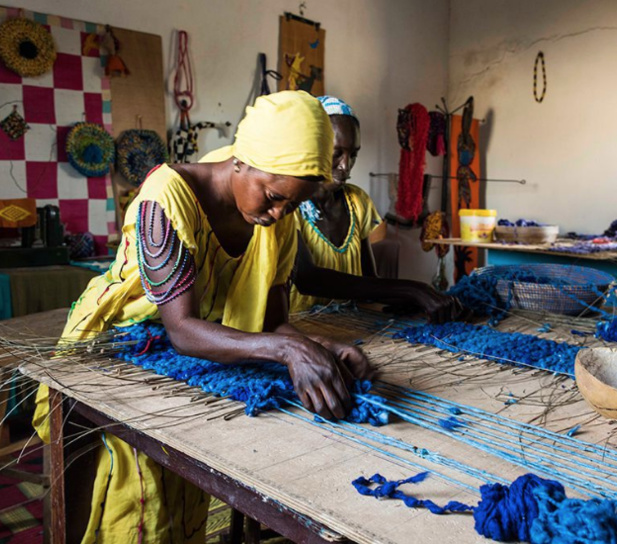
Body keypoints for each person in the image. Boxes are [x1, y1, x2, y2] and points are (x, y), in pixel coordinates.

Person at [32, 91, 372, 543]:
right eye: (272, 198)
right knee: (130, 499)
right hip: (115, 353)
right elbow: (181, 330)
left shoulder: (279, 216)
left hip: (190, 361)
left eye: (290, 206)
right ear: (241, 161)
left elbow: (273, 324)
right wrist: (290, 349)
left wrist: (320, 348)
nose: (277, 215)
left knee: (179, 499)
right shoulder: (168, 196)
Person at [289, 95, 463, 322]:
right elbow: (307, 279)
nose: (345, 165)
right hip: (299, 329)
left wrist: (407, 302)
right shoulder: (288, 204)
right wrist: (413, 290)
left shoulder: (357, 202)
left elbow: (370, 282)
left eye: (354, 154)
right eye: (336, 153)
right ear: (310, 146)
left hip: (350, 326)